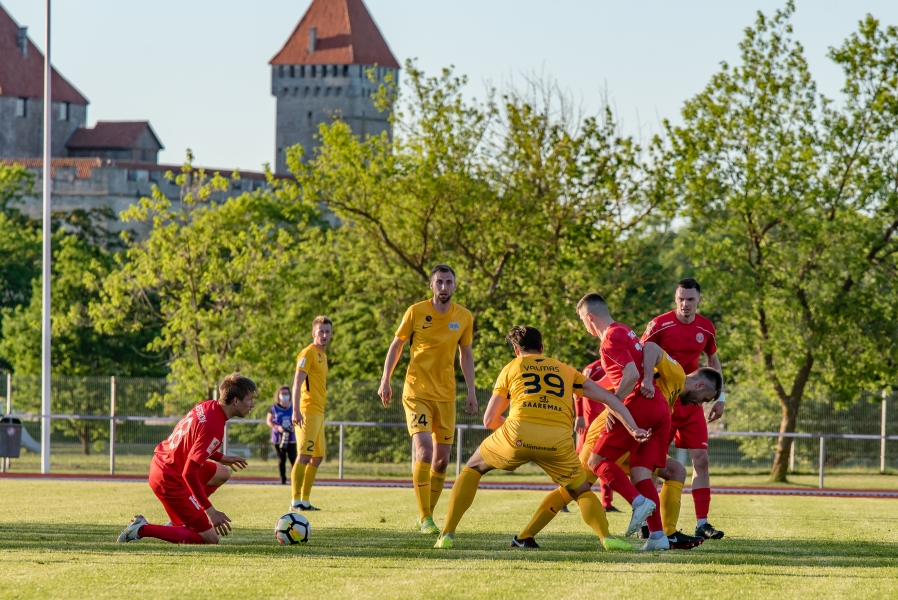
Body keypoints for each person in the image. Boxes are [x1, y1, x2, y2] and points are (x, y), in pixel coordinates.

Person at [433, 325, 649, 550]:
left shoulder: (512, 367)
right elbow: (609, 398)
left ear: (517, 351)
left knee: (473, 469)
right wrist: (633, 428)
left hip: (516, 435)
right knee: (581, 490)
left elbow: (489, 420)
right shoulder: (564, 369)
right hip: (558, 441)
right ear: (542, 348)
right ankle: (606, 538)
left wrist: (516, 432)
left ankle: (446, 534)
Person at [519, 341, 721, 550]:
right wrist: (645, 383)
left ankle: (666, 534)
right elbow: (650, 347)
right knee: (574, 488)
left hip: (631, 435)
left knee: (675, 471)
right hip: (608, 431)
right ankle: (526, 535)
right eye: (703, 399)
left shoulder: (674, 389)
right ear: (699, 385)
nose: (698, 404)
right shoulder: (676, 372)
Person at [378, 264, 477, 535]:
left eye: (448, 282)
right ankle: (425, 518)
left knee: (442, 461)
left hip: (445, 395)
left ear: (455, 286)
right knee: (424, 450)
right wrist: (385, 379)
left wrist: (471, 391)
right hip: (416, 392)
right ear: (432, 286)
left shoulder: (464, 317)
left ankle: (428, 514)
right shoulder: (416, 311)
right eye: (439, 282)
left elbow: (465, 355)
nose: (444, 287)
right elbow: (397, 345)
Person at [576, 292, 672, 550]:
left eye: (583, 321)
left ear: (589, 317)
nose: (584, 326)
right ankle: (657, 537)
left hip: (637, 404)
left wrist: (613, 404)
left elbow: (630, 374)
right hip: (659, 407)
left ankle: (637, 503)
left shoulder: (610, 338)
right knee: (641, 473)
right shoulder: (625, 330)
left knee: (596, 461)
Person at [117, 373, 256, 545]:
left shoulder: (208, 405)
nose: (253, 404)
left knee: (222, 472)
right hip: (169, 479)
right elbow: (189, 473)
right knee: (211, 539)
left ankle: (185, 518)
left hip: (163, 464)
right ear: (236, 401)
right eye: (250, 399)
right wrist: (210, 511)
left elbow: (194, 441)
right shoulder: (215, 426)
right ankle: (141, 528)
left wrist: (221, 457)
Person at [642, 277, 726, 540]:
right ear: (675, 299)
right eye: (680, 299)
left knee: (701, 460)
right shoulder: (659, 323)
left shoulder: (707, 328)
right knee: (655, 462)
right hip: (663, 402)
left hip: (692, 402)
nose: (685, 304)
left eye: (690, 299)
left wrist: (721, 396)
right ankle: (649, 523)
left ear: (699, 300)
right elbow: (642, 352)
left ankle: (702, 523)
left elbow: (713, 360)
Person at [289, 316, 333, 512]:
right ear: (313, 333)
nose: (324, 335)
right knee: (304, 456)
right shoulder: (307, 353)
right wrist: (295, 410)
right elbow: (297, 382)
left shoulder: (322, 355)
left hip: (319, 412)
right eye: (320, 331)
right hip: (307, 411)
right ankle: (295, 500)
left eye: (327, 332)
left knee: (317, 457)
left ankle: (305, 501)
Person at [574, 359, 618, 512]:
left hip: (607, 421)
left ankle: (607, 503)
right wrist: (579, 416)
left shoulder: (618, 364)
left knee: (606, 459)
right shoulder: (591, 368)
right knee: (580, 462)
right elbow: (578, 391)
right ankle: (564, 499)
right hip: (589, 423)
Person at [267, 385, 296, 485]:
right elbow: (269, 421)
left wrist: (294, 428)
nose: (284, 395)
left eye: (286, 394)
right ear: (278, 395)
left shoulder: (294, 407)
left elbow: (300, 419)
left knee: (293, 459)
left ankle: (296, 480)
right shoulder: (274, 408)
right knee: (281, 459)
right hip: (278, 438)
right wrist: (278, 427)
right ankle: (283, 480)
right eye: (282, 394)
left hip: (291, 438)